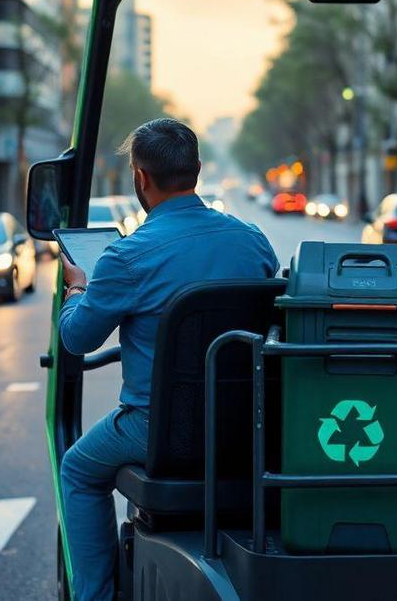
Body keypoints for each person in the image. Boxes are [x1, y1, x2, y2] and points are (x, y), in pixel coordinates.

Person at [56, 118, 279, 601]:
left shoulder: (125, 256)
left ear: (140, 178)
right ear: (197, 169)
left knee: (75, 470)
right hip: (246, 425)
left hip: (157, 428)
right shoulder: (253, 240)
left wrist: (77, 287)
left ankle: (94, 595)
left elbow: (77, 339)